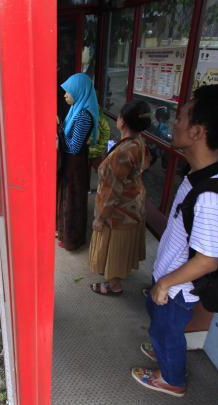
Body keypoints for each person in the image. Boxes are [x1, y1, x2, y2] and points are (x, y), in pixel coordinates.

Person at [131, 85, 218, 397]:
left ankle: (171, 378)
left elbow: (207, 260)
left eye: (182, 117)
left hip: (179, 288)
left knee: (167, 329)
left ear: (198, 131)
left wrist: (165, 283)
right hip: (171, 278)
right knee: (161, 324)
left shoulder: (212, 196)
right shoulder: (203, 170)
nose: (175, 122)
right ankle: (164, 348)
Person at [88, 100, 151, 295]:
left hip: (118, 212)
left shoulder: (121, 153)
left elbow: (111, 192)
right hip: (134, 204)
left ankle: (113, 285)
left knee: (115, 250)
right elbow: (145, 165)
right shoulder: (139, 142)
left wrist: (101, 218)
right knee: (123, 249)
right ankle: (118, 275)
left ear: (122, 122)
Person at [56, 73, 99, 251]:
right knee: (67, 197)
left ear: (79, 91)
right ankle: (65, 232)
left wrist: (58, 130)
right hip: (72, 162)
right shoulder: (77, 109)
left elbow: (73, 147)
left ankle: (72, 239)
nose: (65, 95)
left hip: (76, 164)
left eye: (68, 92)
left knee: (72, 199)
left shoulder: (84, 115)